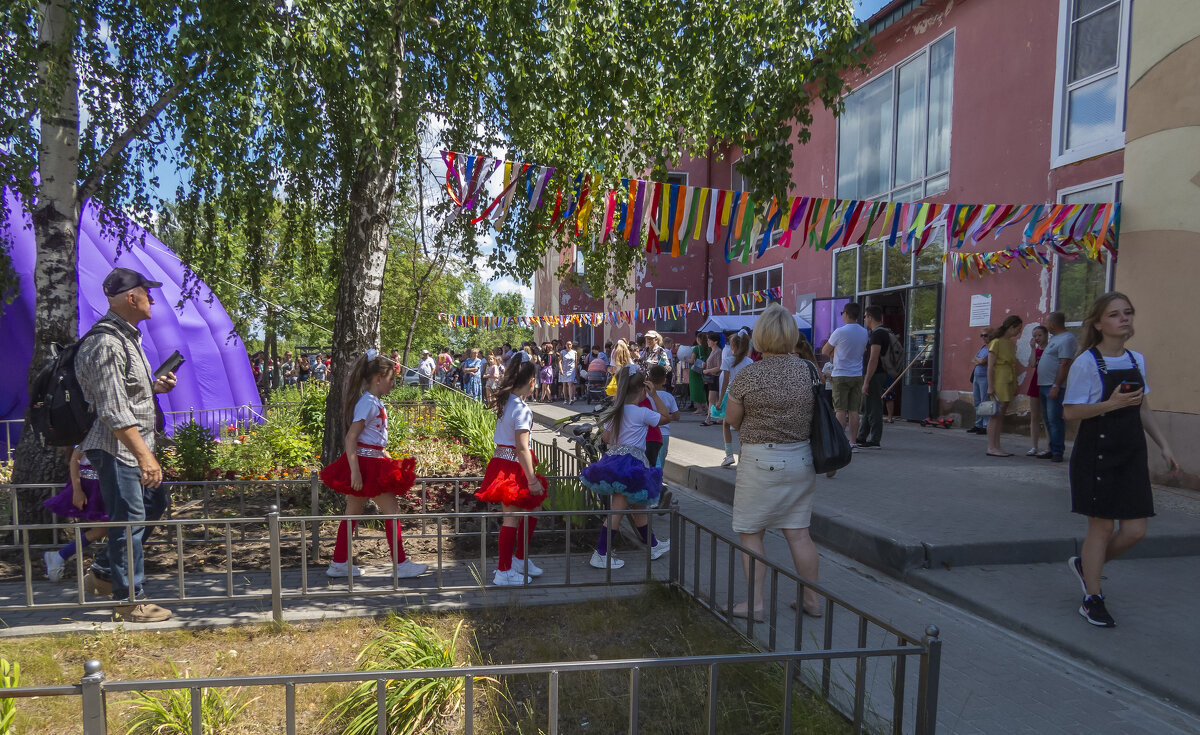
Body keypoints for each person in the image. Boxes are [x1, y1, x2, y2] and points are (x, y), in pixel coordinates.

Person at [1063, 292, 1177, 628]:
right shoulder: (1086, 362)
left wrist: (1165, 446)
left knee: (1136, 531)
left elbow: (1143, 407)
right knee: (1102, 527)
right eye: (1114, 314)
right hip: (1096, 452)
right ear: (1098, 324)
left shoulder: (1136, 360)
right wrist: (1109, 405)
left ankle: (1087, 566)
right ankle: (1092, 598)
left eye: (1128, 312)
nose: (1124, 318)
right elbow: (1070, 412)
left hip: (1130, 453)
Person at [75, 267, 179, 622]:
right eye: (147, 293)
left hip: (128, 448)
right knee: (129, 520)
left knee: (152, 502)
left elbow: (124, 395)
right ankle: (128, 599)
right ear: (131, 298)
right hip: (116, 449)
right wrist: (144, 456)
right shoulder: (106, 342)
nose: (152, 299)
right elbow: (113, 410)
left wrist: (153, 388)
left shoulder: (127, 338)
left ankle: (104, 574)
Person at [724, 304, 823, 620]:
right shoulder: (809, 371)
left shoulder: (747, 375)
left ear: (759, 337)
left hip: (760, 460)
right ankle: (812, 600)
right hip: (801, 459)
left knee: (751, 532)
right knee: (799, 532)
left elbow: (733, 420)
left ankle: (754, 605)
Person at [318, 350, 426, 579]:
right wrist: (355, 472)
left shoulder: (371, 401)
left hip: (371, 461)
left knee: (352, 512)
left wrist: (385, 456)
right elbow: (351, 437)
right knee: (392, 510)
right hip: (366, 465)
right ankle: (400, 563)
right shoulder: (368, 403)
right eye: (391, 379)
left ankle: (339, 562)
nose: (393, 383)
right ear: (378, 379)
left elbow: (371, 438)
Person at [581, 365, 672, 569]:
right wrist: (655, 396)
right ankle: (601, 553)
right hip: (630, 464)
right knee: (617, 510)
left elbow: (606, 437)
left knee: (639, 508)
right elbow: (666, 418)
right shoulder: (642, 413)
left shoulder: (617, 410)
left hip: (614, 459)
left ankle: (653, 545)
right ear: (642, 390)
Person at [475, 353, 549, 585]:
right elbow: (522, 448)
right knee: (512, 518)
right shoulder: (521, 409)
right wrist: (532, 479)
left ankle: (518, 559)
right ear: (530, 382)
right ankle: (503, 571)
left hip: (504, 462)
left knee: (531, 511)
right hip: (513, 466)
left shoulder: (508, 402)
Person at [43, 448, 108, 582]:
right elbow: (75, 459)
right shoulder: (91, 431)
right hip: (91, 486)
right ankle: (60, 556)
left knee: (108, 529)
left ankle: (60, 556)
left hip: (106, 484)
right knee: (104, 529)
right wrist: (77, 490)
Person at [821, 303, 869, 449]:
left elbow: (824, 350)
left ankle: (840, 442)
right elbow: (863, 349)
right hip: (857, 374)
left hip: (840, 373)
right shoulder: (864, 332)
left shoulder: (839, 331)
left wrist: (834, 352)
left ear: (846, 314)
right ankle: (853, 441)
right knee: (854, 410)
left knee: (840, 410)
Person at [1038, 312, 1078, 463]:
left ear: (1053, 324)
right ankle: (1051, 447)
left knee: (1055, 419)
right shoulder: (1056, 338)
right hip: (1044, 384)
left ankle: (1057, 451)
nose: (1046, 325)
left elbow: (1065, 363)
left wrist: (1056, 385)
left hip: (1053, 386)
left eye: (1047, 322)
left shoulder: (1067, 339)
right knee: (1048, 419)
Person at [985, 315, 1023, 457]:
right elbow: (990, 367)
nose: (1018, 332)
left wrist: (1015, 384)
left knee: (1000, 415)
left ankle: (997, 446)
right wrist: (990, 386)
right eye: (1018, 329)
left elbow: (1013, 365)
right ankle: (991, 447)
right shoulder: (996, 342)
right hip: (999, 380)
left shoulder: (1010, 343)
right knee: (995, 414)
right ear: (1011, 326)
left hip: (1008, 379)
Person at [856, 306, 891, 449]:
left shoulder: (877, 335)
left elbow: (873, 359)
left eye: (865, 316)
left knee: (874, 407)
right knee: (868, 406)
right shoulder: (883, 333)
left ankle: (875, 439)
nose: (864, 319)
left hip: (874, 375)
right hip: (877, 374)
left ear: (870, 317)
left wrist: (866, 381)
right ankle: (861, 436)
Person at [718, 330, 753, 467]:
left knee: (726, 424)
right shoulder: (749, 361)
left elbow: (725, 381)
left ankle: (729, 455)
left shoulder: (727, 361)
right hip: (746, 395)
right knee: (744, 426)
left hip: (731, 395)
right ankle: (743, 456)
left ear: (733, 346)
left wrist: (720, 400)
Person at [646, 365, 679, 469]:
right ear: (664, 380)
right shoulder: (669, 397)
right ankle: (659, 481)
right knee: (660, 461)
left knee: (649, 461)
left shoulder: (645, 395)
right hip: (664, 433)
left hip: (648, 432)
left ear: (649, 379)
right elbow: (676, 416)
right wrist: (667, 418)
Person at [1024, 326, 1048, 456]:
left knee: (1047, 417)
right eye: (1035, 336)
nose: (1037, 338)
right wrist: (1033, 348)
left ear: (1046, 335)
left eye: (1040, 335)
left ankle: (1049, 446)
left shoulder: (1050, 349)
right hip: (1035, 383)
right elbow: (1032, 364)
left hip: (1047, 383)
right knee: (1034, 416)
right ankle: (1034, 446)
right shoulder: (1037, 350)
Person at [967, 331, 992, 434]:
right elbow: (974, 359)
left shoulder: (991, 348)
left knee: (985, 402)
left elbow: (982, 361)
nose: (983, 337)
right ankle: (978, 424)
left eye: (985, 335)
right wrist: (979, 360)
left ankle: (986, 426)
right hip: (977, 377)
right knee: (977, 402)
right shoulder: (982, 348)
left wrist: (979, 360)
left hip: (985, 378)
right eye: (982, 335)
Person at [700, 332, 724, 426]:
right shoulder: (713, 351)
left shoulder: (718, 352)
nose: (708, 342)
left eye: (709, 340)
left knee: (711, 399)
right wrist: (706, 365)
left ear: (715, 341)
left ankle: (709, 418)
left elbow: (719, 367)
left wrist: (708, 370)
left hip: (715, 377)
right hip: (713, 377)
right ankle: (720, 418)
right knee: (716, 399)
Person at [688, 333, 710, 416]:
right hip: (705, 370)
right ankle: (707, 407)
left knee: (695, 390)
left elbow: (691, 361)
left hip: (695, 371)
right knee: (704, 390)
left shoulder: (696, 348)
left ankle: (699, 408)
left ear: (699, 339)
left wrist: (686, 358)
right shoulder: (709, 348)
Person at [558, 340, 579, 404]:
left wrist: (576, 370)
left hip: (571, 370)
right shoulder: (562, 352)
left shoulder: (574, 352)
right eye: (567, 344)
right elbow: (559, 361)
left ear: (572, 345)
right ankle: (565, 399)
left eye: (570, 344)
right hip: (564, 369)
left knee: (570, 384)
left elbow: (576, 362)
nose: (569, 346)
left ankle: (571, 399)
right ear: (565, 345)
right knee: (564, 384)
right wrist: (561, 369)